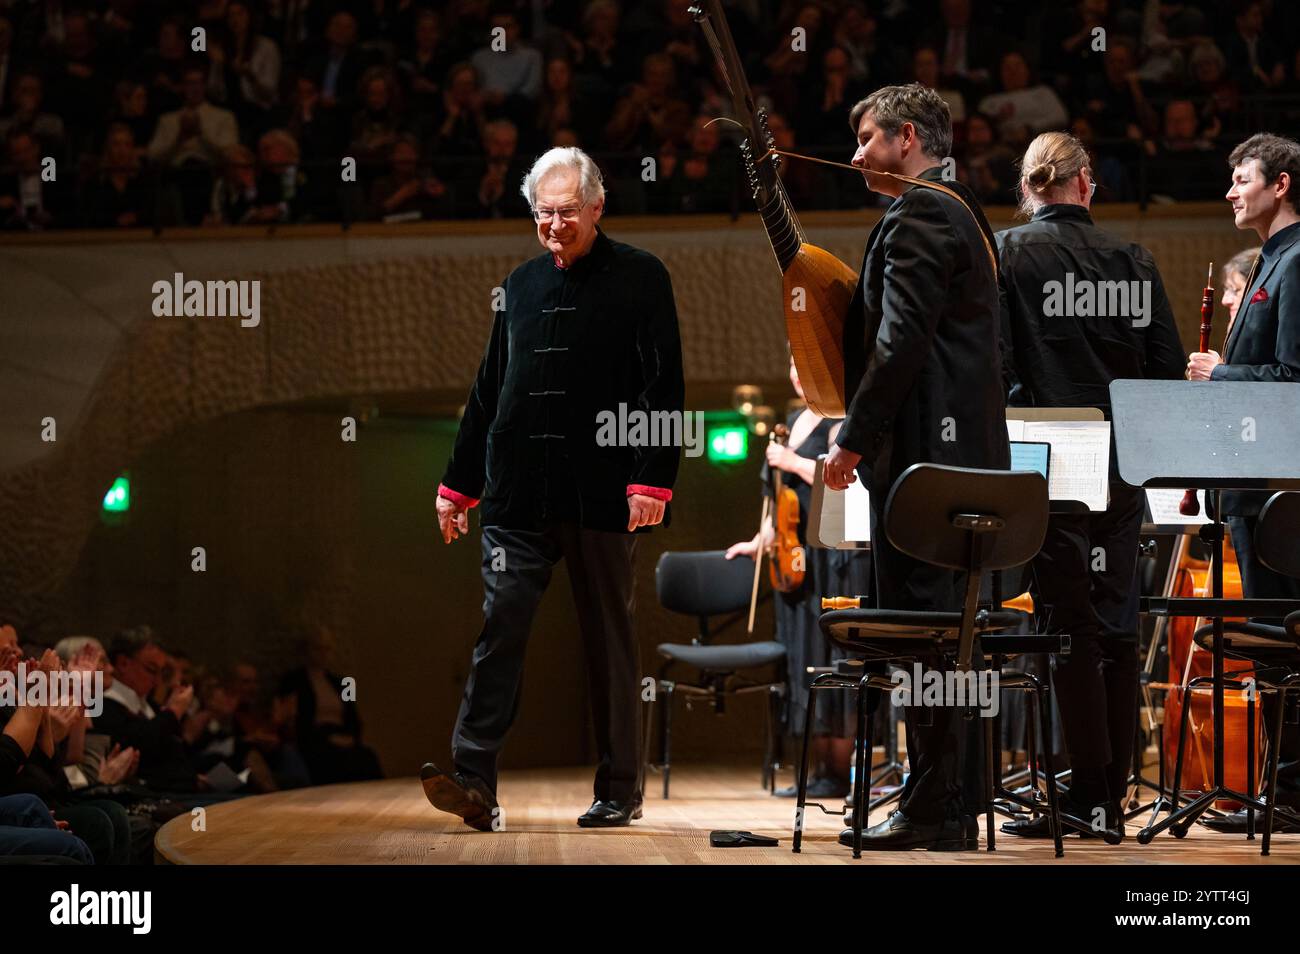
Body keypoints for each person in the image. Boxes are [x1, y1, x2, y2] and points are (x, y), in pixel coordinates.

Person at [424, 146, 684, 830]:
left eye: (568, 211)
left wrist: (652, 478)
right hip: (516, 495)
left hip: (603, 491)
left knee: (609, 641)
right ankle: (474, 778)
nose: (555, 224)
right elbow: (488, 390)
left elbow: (664, 385)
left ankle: (620, 788)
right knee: (500, 624)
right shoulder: (519, 283)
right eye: (544, 212)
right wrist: (458, 483)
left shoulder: (642, 277)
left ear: (597, 207)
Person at [822, 83, 1008, 851]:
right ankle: (946, 806)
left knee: (924, 637)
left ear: (906, 137)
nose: (856, 154)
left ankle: (936, 809)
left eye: (867, 138)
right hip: (963, 461)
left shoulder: (923, 211)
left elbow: (898, 343)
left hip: (928, 468)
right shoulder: (965, 209)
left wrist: (853, 438)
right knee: (945, 639)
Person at [995, 132, 1185, 840]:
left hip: (1049, 456)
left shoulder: (1008, 253)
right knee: (1117, 623)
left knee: (1065, 624)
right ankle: (1109, 791)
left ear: (1028, 189)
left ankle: (1085, 794)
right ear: (1086, 185)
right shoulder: (1131, 258)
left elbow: (1000, 365)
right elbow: (1165, 367)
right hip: (1123, 458)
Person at [1187, 132, 1300, 832]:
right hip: (1251, 493)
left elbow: (1292, 382)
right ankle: (1279, 792)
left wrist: (1218, 374)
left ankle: (1287, 796)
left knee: (1280, 644)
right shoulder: (1269, 262)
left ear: (1281, 184)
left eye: (1243, 178)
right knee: (1268, 647)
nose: (1231, 190)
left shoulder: (1297, 264)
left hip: (1279, 498)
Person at [726, 356, 871, 798]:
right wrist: (759, 540)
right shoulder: (793, 420)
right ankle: (818, 769)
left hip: (836, 552)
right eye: (789, 364)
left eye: (804, 363)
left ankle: (839, 770)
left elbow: (840, 479)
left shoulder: (849, 418)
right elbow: (779, 499)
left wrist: (789, 460)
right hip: (797, 557)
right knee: (802, 654)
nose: (794, 371)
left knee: (832, 654)